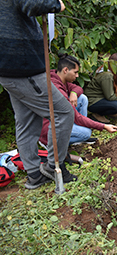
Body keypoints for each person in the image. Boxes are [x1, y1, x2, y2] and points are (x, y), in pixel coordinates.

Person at [0, 0, 78, 188]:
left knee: (27, 121)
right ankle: (52, 167)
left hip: (10, 69)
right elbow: (33, 4)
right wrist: (56, 4)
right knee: (64, 113)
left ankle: (34, 174)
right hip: (23, 67)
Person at [38, 54, 117, 147]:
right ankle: (53, 144)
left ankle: (77, 131)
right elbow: (77, 117)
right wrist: (103, 126)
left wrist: (74, 93)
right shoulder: (57, 90)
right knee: (86, 133)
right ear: (65, 70)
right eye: (75, 72)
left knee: (82, 98)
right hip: (49, 129)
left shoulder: (60, 78)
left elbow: (78, 88)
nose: (77, 75)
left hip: (61, 119)